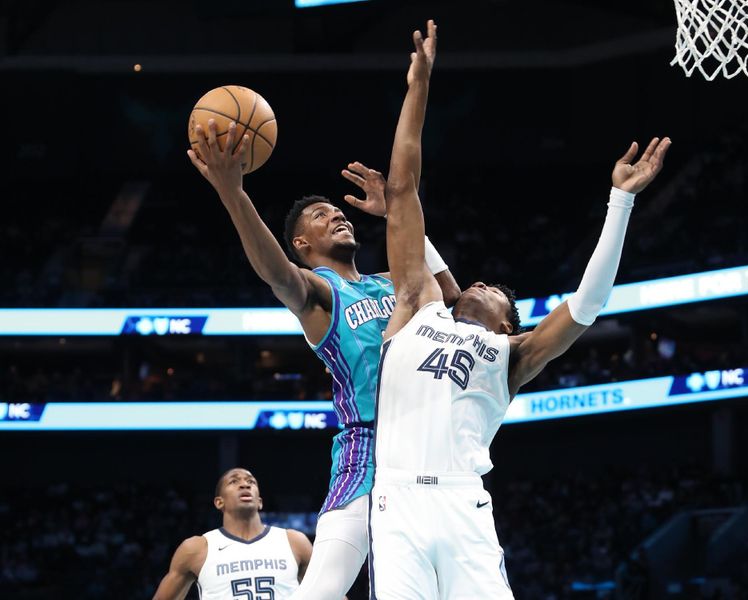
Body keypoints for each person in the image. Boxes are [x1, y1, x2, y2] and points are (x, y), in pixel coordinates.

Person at [368, 19, 671, 598]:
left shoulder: (511, 353)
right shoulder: (417, 307)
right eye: (474, 281)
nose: (478, 282)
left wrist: (620, 201)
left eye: (495, 290)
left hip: (464, 504)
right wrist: (420, 85)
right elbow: (405, 190)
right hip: (397, 499)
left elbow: (588, 304)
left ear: (509, 321)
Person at [187, 120, 460, 599]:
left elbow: (452, 296)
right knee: (321, 592)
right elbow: (275, 273)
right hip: (367, 450)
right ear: (301, 244)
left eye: (339, 211)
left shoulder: (389, 282)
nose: (338, 215)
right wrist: (233, 192)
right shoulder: (319, 292)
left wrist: (396, 210)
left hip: (425, 448)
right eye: (321, 214)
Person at [153, 468, 312, 599]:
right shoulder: (196, 548)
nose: (245, 485)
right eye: (234, 481)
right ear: (219, 502)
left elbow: (329, 593)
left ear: (260, 502)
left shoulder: (294, 542)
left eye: (251, 482)